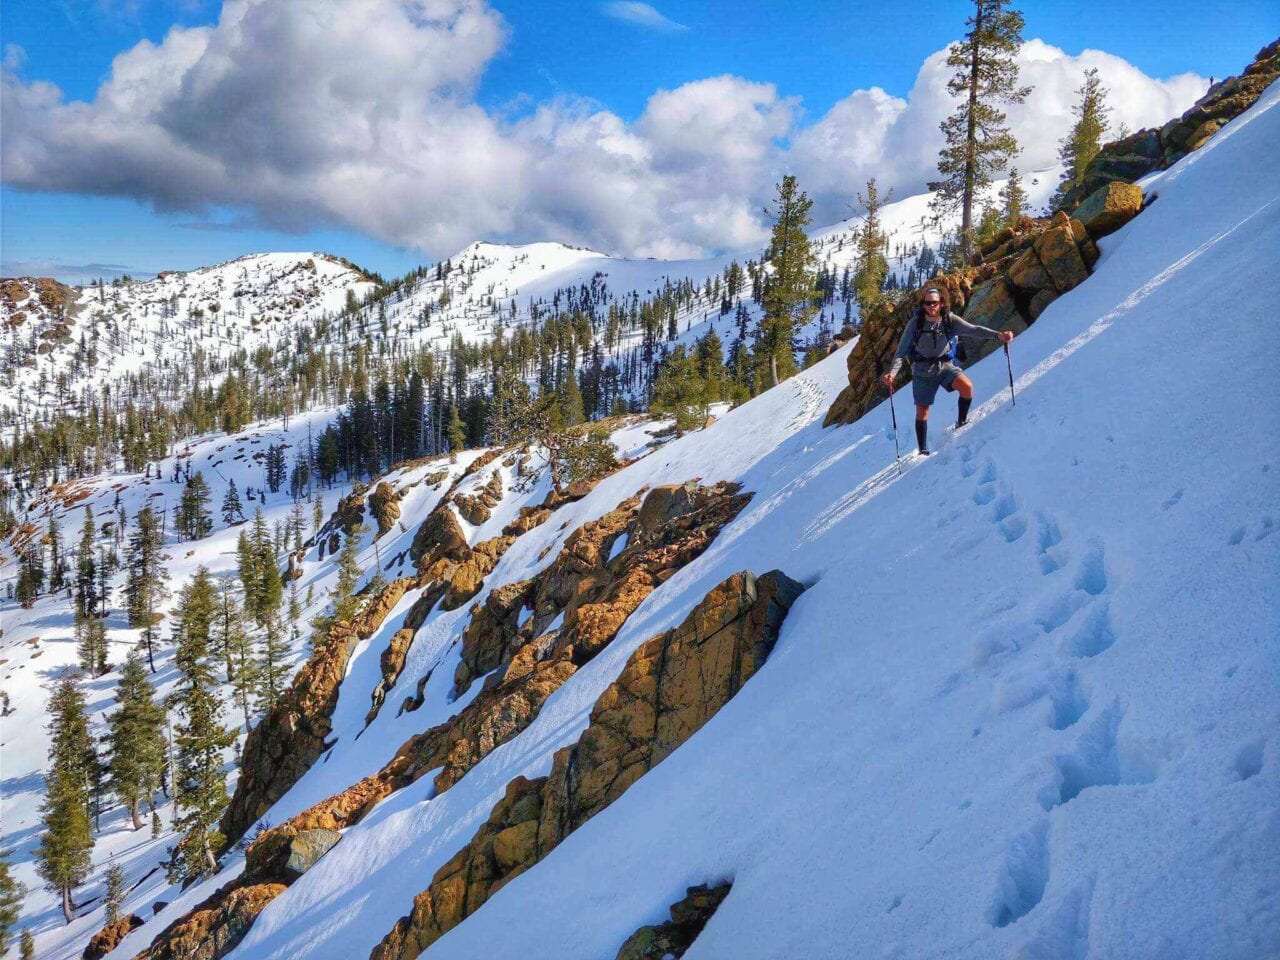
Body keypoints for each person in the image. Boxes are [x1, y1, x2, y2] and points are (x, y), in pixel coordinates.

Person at [879, 286, 1013, 455]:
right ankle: (922, 449)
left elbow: (974, 330)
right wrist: (893, 374)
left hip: (945, 367)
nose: (931, 306)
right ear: (923, 304)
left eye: (934, 303)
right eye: (927, 303)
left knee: (967, 387)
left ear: (942, 303)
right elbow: (901, 351)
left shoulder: (950, 320)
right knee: (922, 410)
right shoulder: (915, 324)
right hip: (922, 372)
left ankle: (961, 422)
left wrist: (998, 336)